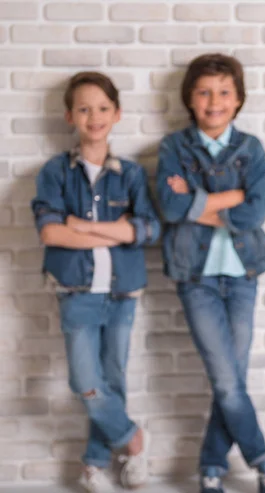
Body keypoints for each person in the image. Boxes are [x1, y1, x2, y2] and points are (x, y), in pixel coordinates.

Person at [156, 53, 265, 493]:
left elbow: (256, 213)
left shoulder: (250, 148)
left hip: (244, 274)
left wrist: (197, 200)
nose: (214, 101)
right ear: (190, 98)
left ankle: (210, 469)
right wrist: (230, 196)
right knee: (228, 380)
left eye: (224, 92)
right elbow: (169, 208)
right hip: (196, 278)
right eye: (205, 92)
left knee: (230, 381)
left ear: (239, 99)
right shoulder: (174, 147)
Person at [31, 71, 160, 492]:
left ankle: (93, 464)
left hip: (124, 291)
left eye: (103, 108)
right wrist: (113, 228)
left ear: (117, 114)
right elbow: (50, 233)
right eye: (84, 108)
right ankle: (133, 441)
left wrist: (80, 225)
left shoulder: (131, 174)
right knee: (85, 382)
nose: (94, 116)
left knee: (113, 379)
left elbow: (146, 230)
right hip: (77, 292)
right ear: (70, 115)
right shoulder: (55, 172)